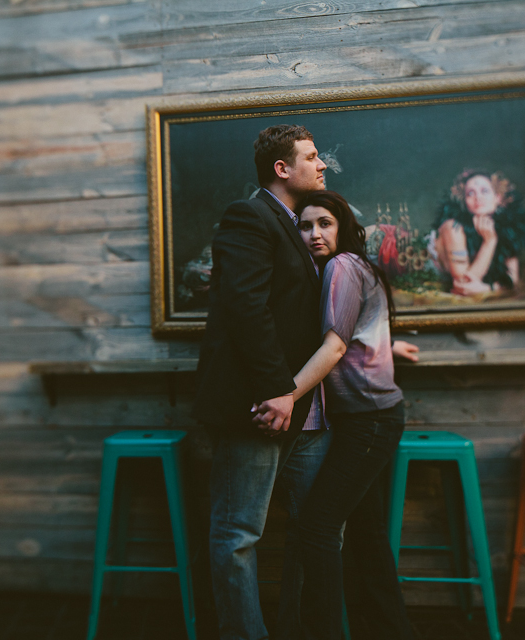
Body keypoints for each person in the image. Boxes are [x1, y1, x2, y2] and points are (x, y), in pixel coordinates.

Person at [193, 124, 330, 640]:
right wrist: (278, 390)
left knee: (314, 530)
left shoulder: (296, 224)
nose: (322, 165)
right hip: (258, 407)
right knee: (238, 535)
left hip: (300, 409)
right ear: (282, 168)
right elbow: (245, 307)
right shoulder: (249, 216)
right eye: (312, 157)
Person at [258, 189, 415, 640]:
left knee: (318, 525)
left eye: (324, 224)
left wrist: (286, 396)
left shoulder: (342, 266)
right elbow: (363, 336)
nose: (313, 234)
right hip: (374, 417)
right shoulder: (358, 267)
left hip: (368, 422)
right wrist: (388, 348)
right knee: (366, 533)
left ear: (342, 226)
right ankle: (395, 630)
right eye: (304, 226)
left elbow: (335, 346)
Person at [429, 169, 525, 296]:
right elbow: (464, 285)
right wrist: (489, 242)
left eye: (485, 191)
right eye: (470, 193)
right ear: (465, 202)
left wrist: (489, 288)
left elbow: (512, 279)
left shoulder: (506, 229)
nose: (478, 197)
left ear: (498, 198)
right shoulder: (453, 227)